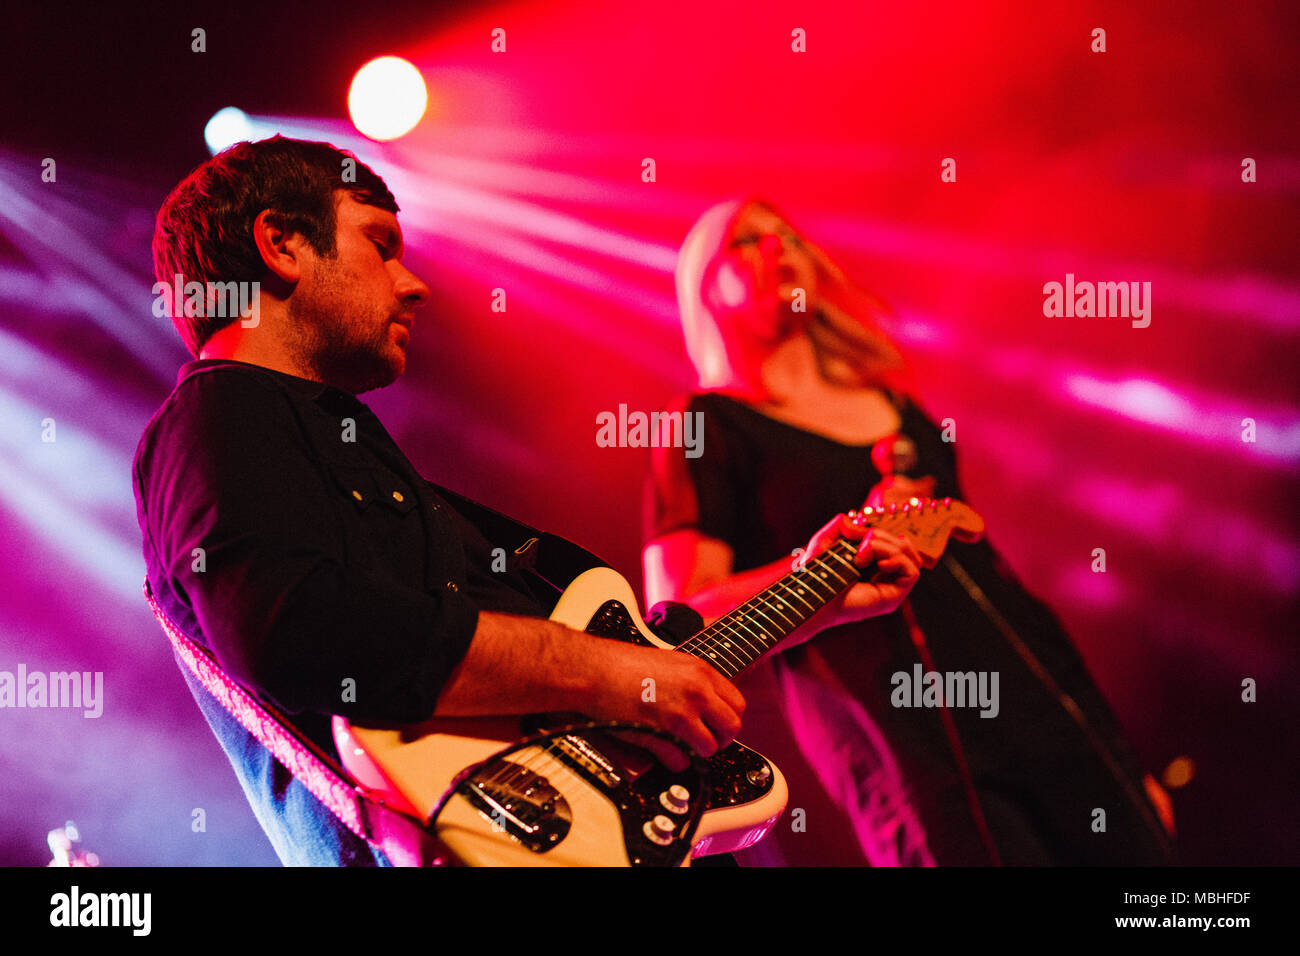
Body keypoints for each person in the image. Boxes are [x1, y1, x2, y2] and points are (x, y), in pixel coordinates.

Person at [134, 140, 922, 866]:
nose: (415, 284)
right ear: (283, 245)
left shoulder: (346, 454)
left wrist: (812, 592)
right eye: (379, 244)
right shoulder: (222, 412)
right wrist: (604, 675)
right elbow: (292, 625)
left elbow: (642, 648)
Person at [642, 197, 1177, 866]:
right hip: (906, 740)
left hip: (1044, 701)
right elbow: (679, 613)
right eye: (747, 242)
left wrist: (1120, 764)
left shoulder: (896, 403)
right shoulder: (708, 425)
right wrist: (811, 567)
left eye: (787, 233)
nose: (778, 247)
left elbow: (987, 573)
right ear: (705, 289)